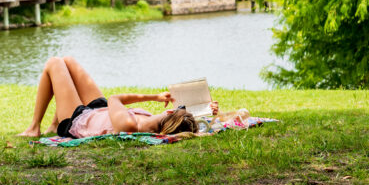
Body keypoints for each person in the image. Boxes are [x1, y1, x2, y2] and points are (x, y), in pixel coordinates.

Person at [17, 56, 218, 138]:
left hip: (77, 119)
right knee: (68, 61)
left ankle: (35, 127)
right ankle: (52, 124)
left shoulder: (130, 125)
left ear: (169, 112)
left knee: (54, 63)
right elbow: (184, 125)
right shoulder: (151, 124)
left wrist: (154, 96)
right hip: (99, 112)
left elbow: (115, 99)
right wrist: (209, 111)